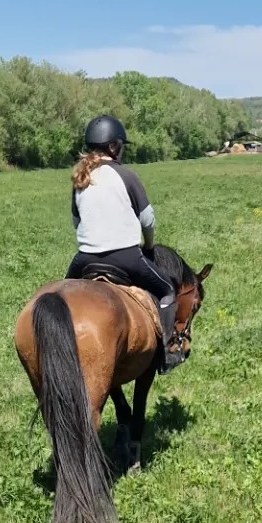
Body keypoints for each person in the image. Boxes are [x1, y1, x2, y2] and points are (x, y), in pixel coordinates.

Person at [67, 115, 180, 354]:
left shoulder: (79, 178)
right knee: (168, 289)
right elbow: (147, 219)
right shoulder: (126, 175)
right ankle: (167, 350)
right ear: (113, 146)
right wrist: (148, 247)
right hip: (126, 258)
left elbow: (77, 221)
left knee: (64, 297)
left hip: (85, 259)